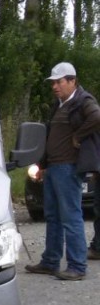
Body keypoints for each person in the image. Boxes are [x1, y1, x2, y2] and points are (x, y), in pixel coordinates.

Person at [25, 62, 100, 280]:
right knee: (53, 216)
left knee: (70, 216)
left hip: (68, 167)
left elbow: (96, 117)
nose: (55, 87)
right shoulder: (59, 104)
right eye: (53, 83)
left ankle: (77, 266)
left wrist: (78, 136)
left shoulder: (83, 101)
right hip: (54, 167)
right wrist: (42, 165)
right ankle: (50, 261)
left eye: (59, 82)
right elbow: (51, 136)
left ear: (72, 81)